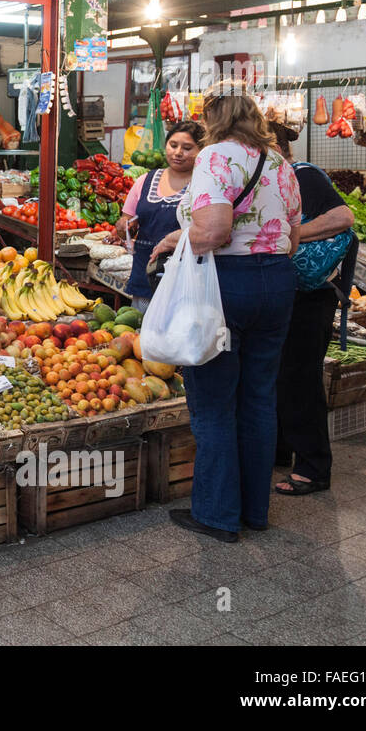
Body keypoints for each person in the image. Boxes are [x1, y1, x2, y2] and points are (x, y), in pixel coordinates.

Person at [150, 88, 302, 543]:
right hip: (276, 282)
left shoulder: (215, 156)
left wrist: (179, 245)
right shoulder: (280, 163)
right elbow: (293, 237)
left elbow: (214, 230)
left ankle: (217, 514)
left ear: (214, 121)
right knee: (258, 398)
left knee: (214, 401)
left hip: (225, 286)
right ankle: (255, 511)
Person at [268, 121, 354, 496]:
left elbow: (343, 218)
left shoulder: (303, 176)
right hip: (290, 291)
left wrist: (293, 234)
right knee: (282, 374)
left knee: (300, 377)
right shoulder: (273, 180)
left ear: (277, 146)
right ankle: (281, 450)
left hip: (313, 295)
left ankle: (314, 468)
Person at [115, 121, 205, 311]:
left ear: (201, 151)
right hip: (145, 272)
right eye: (173, 145)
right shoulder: (145, 180)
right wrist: (124, 226)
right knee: (140, 332)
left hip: (184, 277)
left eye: (187, 148)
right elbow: (125, 223)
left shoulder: (204, 183)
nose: (178, 152)